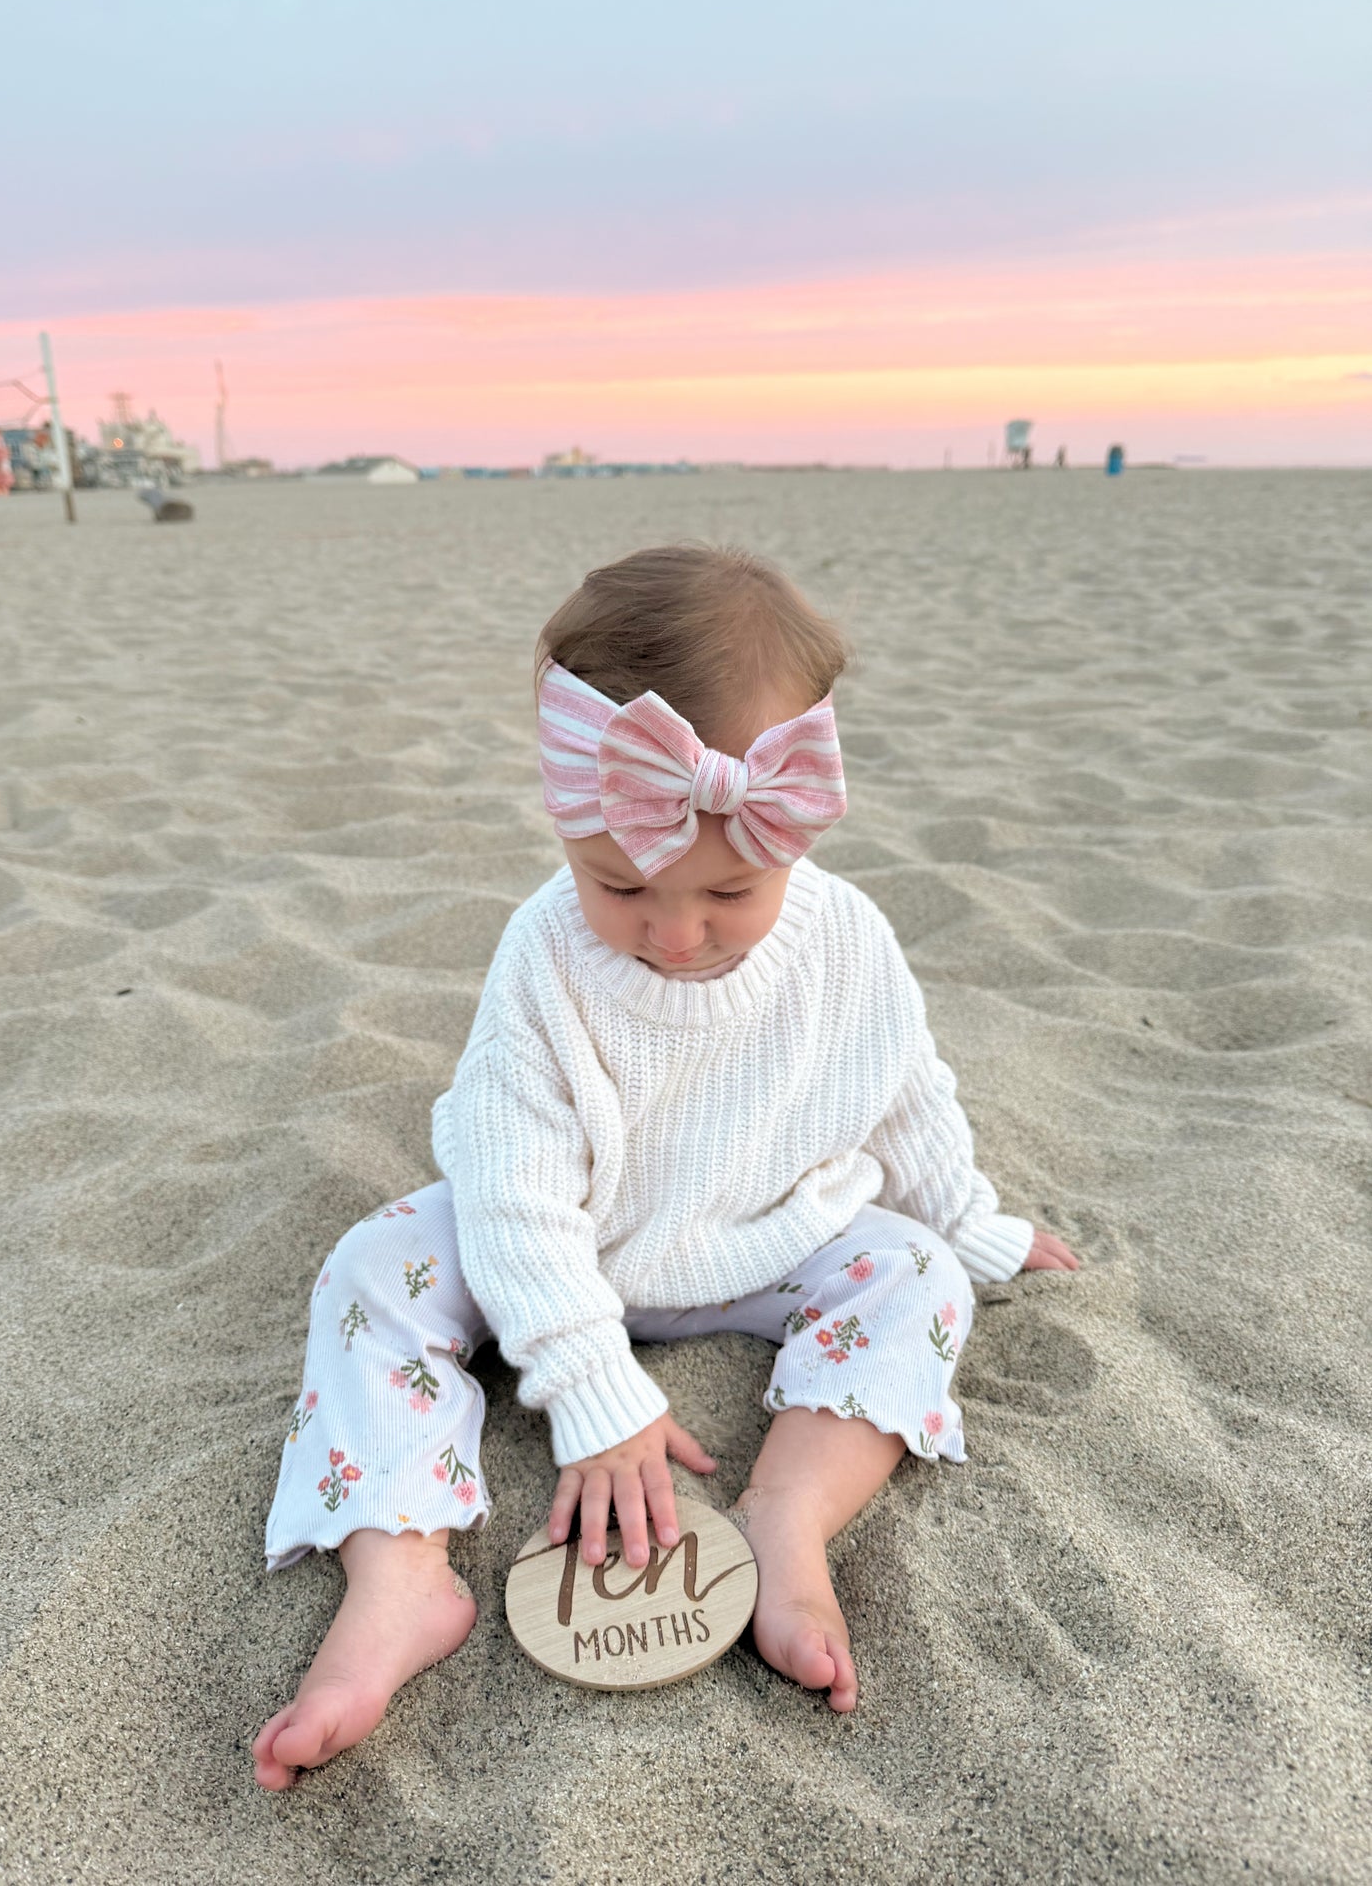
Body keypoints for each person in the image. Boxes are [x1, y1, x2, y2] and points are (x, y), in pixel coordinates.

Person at [252, 544, 1080, 1790]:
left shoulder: (845, 940)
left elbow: (903, 1092)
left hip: (767, 1230)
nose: (674, 931)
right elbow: (516, 1188)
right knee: (372, 1267)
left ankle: (785, 1515)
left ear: (790, 839)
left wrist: (970, 1226)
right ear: (565, 825)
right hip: (568, 1241)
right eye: (619, 882)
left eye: (728, 890)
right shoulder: (543, 956)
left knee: (915, 1277)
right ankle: (399, 1577)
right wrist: (589, 1384)